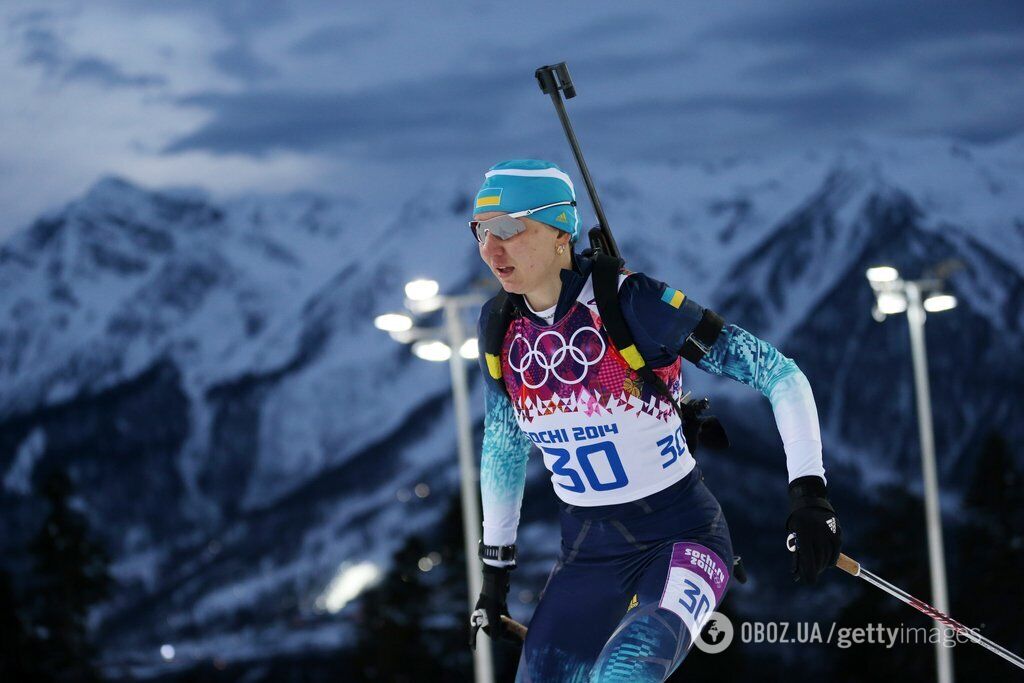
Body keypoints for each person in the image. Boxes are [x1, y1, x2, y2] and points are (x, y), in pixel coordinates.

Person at [468, 159, 841, 682]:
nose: (491, 248)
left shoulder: (633, 303)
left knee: (623, 674)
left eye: (509, 228)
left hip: (681, 537)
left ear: (559, 233)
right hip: (585, 554)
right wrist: (495, 574)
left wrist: (809, 493)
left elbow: (779, 374)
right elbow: (504, 446)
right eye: (482, 231)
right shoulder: (499, 326)